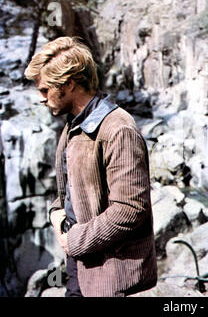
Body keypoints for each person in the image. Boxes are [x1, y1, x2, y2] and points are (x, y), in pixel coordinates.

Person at [24, 36, 157, 297]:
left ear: (69, 84)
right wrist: (56, 213)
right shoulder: (74, 125)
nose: (41, 99)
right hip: (81, 268)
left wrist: (72, 240)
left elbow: (130, 209)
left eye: (44, 90)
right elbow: (72, 190)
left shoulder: (118, 129)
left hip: (112, 277)